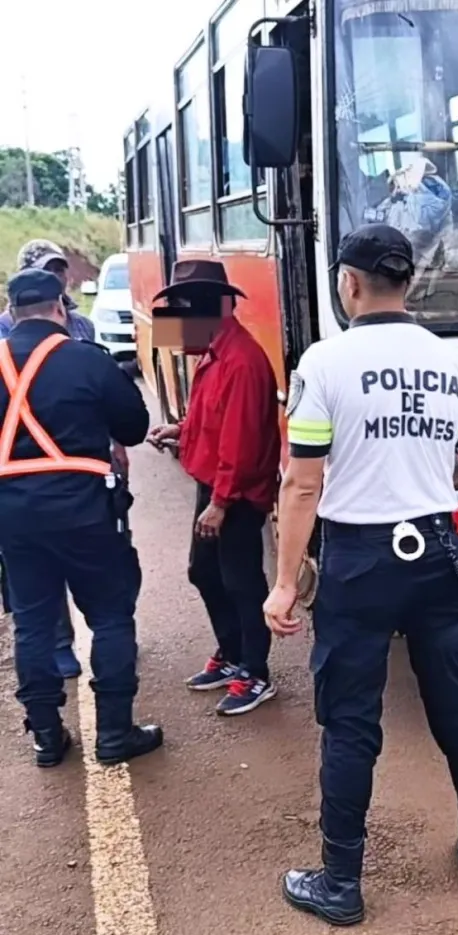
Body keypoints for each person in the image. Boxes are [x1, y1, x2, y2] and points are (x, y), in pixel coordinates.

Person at [263, 223, 458, 927]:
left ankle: (341, 882)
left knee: (350, 722)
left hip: (359, 561)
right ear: (409, 283)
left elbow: (302, 486)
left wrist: (285, 582)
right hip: (439, 554)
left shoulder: (325, 363)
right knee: (457, 708)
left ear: (348, 283)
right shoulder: (455, 367)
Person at [0, 268, 161, 767]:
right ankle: (115, 735)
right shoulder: (85, 359)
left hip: (13, 516)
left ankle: (47, 738)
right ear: (60, 308)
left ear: (11, 312)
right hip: (86, 510)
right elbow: (134, 427)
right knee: (111, 617)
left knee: (31, 622)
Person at [146, 260, 281, 717]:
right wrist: (180, 431)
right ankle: (232, 652)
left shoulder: (241, 361)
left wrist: (220, 503)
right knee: (204, 572)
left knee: (241, 580)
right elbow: (213, 422)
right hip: (217, 485)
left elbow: (241, 445)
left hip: (236, 494)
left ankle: (255, 673)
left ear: (208, 310)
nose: (170, 326)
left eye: (179, 311)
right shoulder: (213, 353)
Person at [0, 240, 100, 679]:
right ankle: (64, 645)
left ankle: (108, 637)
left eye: (60, 271)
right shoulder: (6, 337)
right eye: (49, 272)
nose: (59, 279)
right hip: (24, 471)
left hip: (81, 470)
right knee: (40, 589)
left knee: (95, 572)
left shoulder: (82, 327)